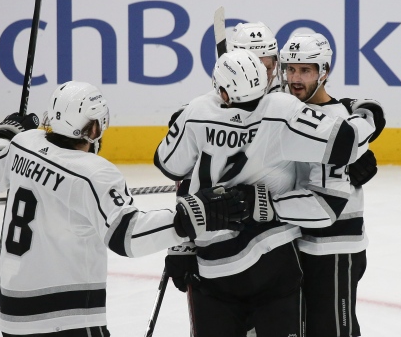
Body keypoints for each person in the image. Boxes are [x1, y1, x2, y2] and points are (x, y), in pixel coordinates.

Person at [0, 81, 248, 337]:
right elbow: (127, 235)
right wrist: (195, 216)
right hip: (66, 317)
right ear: (93, 130)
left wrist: (5, 133)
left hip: (10, 314)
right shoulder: (94, 173)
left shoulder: (24, 144)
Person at [155, 49, 383, 336]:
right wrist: (368, 116)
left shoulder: (196, 111)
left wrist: (181, 244)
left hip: (213, 259)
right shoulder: (280, 107)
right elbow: (345, 142)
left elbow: (171, 167)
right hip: (274, 252)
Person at [279, 33, 384, 337]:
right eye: (291, 69)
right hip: (299, 241)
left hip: (335, 246)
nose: (295, 78)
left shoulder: (342, 123)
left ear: (323, 72)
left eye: (306, 71)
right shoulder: (286, 111)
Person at [228, 21, 281, 93]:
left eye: (267, 69)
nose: (261, 79)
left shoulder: (287, 99)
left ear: (274, 64)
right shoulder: (213, 103)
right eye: (252, 70)